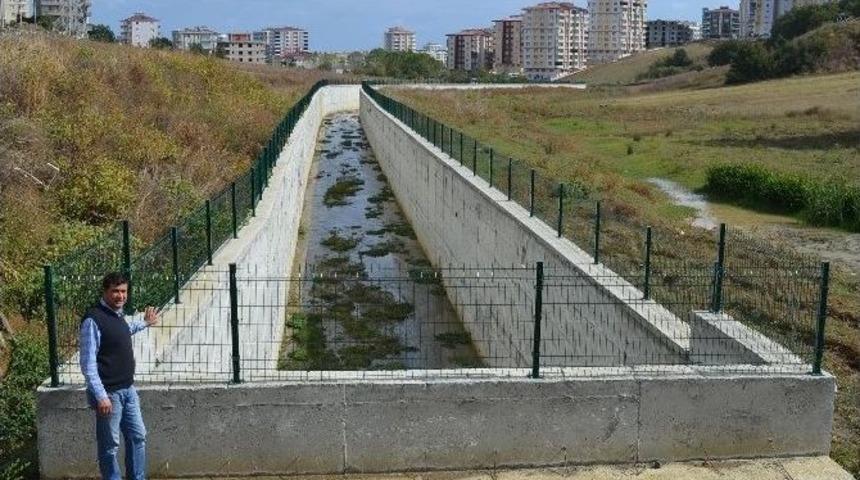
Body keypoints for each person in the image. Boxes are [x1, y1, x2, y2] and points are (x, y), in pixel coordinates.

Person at [79, 272, 159, 480]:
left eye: (123, 291)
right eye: (115, 291)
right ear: (105, 292)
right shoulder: (93, 319)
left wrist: (145, 323)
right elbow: (87, 364)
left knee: (138, 437)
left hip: (128, 390)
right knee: (110, 446)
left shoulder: (117, 315)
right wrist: (101, 396)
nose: (120, 296)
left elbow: (122, 331)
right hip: (109, 394)